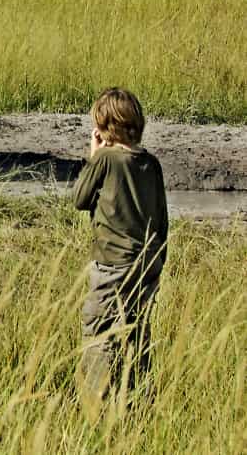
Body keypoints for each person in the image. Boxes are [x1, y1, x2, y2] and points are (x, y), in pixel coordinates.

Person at [72, 87, 169, 417]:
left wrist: (93, 156)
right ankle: (139, 403)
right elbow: (162, 217)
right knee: (137, 332)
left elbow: (80, 198)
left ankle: (95, 406)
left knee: (100, 332)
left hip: (112, 265)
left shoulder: (107, 160)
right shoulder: (151, 164)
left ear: (104, 127)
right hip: (147, 263)